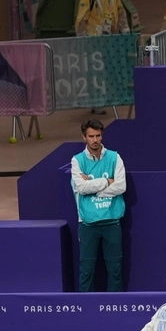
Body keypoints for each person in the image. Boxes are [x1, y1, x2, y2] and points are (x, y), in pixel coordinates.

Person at [70, 119, 126, 292]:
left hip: (112, 222)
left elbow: (121, 186)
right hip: (87, 224)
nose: (95, 140)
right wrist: (106, 182)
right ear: (84, 137)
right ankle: (85, 305)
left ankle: (114, 305)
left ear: (102, 136)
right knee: (86, 271)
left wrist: (94, 190)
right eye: (91, 136)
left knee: (115, 270)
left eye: (98, 135)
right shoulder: (77, 161)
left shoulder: (115, 157)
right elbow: (81, 187)